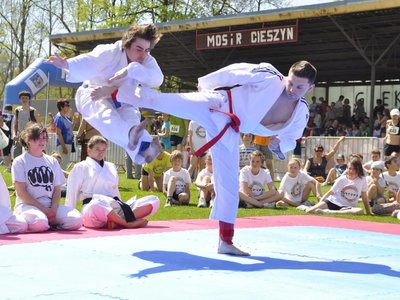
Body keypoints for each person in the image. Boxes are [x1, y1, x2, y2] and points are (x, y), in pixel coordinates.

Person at [109, 60, 316, 256]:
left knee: (229, 182)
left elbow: (292, 137)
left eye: (299, 87)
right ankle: (115, 92)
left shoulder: (301, 112)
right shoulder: (269, 76)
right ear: (287, 76)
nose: (291, 89)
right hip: (218, 105)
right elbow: (236, 71)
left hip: (230, 132)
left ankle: (225, 240)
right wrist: (207, 83)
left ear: (310, 88)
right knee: (168, 101)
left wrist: (280, 144)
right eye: (290, 83)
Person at [46, 23, 164, 164]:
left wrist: (132, 69)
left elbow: (157, 79)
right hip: (93, 94)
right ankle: (134, 137)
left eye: (147, 50)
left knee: (131, 117)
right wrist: (67, 65)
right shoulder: (109, 52)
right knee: (108, 116)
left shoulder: (146, 59)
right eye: (139, 49)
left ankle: (143, 149)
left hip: (122, 98)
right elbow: (89, 61)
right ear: (126, 44)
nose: (143, 55)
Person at [65, 135, 159, 229]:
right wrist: (70, 217)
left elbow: (115, 190)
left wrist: (123, 207)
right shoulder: (80, 167)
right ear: (89, 150)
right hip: (93, 208)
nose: (101, 152)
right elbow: (72, 193)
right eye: (97, 149)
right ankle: (125, 223)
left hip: (114, 206)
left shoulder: (111, 166)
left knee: (154, 200)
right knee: (96, 204)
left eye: (104, 149)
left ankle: (115, 221)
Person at [12, 123, 82, 232]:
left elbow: (57, 190)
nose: (42, 141)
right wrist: (44, 210)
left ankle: (50, 224)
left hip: (50, 206)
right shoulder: (20, 161)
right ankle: (46, 223)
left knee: (76, 219)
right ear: (28, 140)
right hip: (27, 205)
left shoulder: (52, 161)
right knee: (39, 223)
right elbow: (21, 192)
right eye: (37, 138)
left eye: (44, 138)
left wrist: (53, 210)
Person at [305, 157, 372, 215]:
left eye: (354, 169)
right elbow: (330, 192)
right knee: (310, 211)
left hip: (347, 207)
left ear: (359, 169)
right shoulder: (342, 179)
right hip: (333, 202)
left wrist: (368, 211)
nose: (351, 171)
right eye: (349, 168)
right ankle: (305, 207)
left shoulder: (362, 179)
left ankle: (328, 212)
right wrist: (320, 203)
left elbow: (364, 196)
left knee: (359, 211)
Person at [12, 91, 40, 159]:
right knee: (16, 154)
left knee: (29, 155)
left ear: (29, 99)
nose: (24, 100)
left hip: (30, 136)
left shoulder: (33, 111)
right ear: (20, 99)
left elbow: (39, 125)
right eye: (23, 98)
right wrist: (14, 134)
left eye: (26, 98)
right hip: (19, 136)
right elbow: (15, 124)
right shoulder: (17, 110)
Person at [54, 99, 74, 170]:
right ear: (61, 107)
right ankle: (60, 181)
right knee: (62, 165)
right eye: (66, 105)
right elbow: (58, 133)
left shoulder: (64, 117)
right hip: (64, 144)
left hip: (68, 143)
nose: (68, 107)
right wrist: (63, 147)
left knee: (64, 165)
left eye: (69, 105)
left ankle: (61, 180)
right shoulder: (59, 117)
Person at [1, 106, 14, 172]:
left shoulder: (5, 116)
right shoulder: (14, 116)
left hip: (6, 137)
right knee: (9, 153)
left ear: (6, 109)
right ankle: (11, 166)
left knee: (6, 153)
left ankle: (9, 168)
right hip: (12, 137)